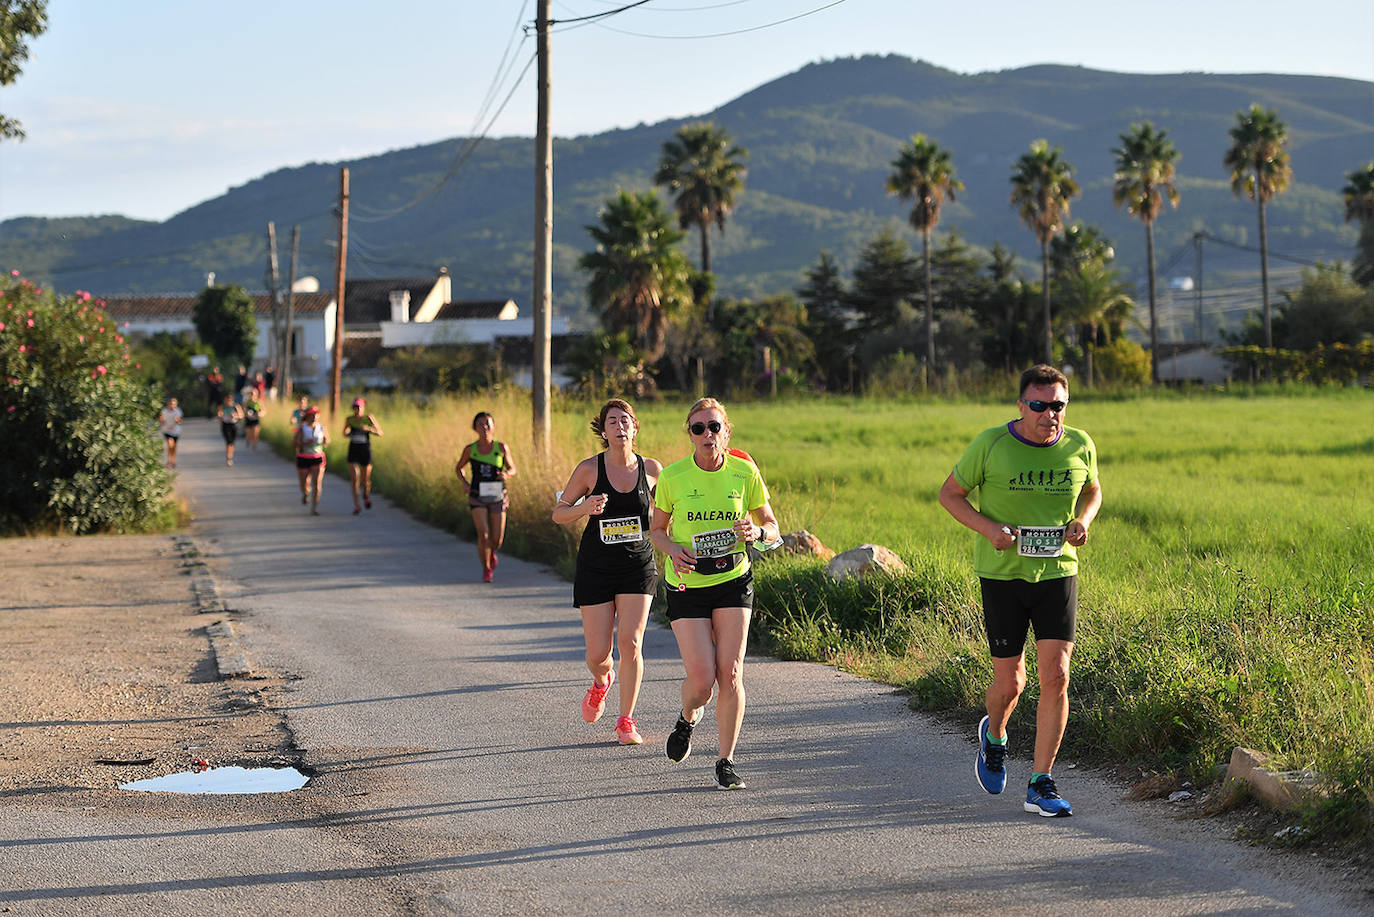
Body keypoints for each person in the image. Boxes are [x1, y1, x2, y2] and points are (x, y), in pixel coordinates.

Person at [937, 364, 1102, 818]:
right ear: (1021, 405)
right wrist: (989, 529)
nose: (1050, 414)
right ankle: (995, 736)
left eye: (1058, 406)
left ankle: (1041, 782)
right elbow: (949, 494)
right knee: (1010, 683)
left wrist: (1082, 522)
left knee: (1058, 676)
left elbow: (1093, 490)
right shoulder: (990, 444)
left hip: (1056, 573)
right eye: (1039, 405)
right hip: (1002, 575)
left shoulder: (1080, 443)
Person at [649, 397, 780, 790]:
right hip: (688, 584)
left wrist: (757, 534)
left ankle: (726, 760)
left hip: (734, 580)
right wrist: (673, 550)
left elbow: (772, 526)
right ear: (690, 434)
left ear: (727, 432)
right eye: (698, 428)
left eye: (714, 427)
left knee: (732, 673)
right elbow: (657, 530)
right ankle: (687, 718)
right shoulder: (673, 478)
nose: (708, 435)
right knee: (703, 681)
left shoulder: (744, 472)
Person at [552, 399, 662, 746]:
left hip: (638, 566)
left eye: (625, 420)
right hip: (596, 568)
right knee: (598, 654)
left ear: (635, 426)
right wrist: (584, 507)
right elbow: (559, 512)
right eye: (612, 421)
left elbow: (670, 512)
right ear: (603, 430)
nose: (619, 426)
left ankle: (626, 720)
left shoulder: (653, 469)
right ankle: (602, 682)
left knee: (631, 643)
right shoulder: (588, 469)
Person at [455, 412, 517, 582]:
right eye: (481, 424)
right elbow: (459, 468)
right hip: (477, 495)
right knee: (483, 534)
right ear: (475, 427)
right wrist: (465, 483)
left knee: (497, 539)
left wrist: (506, 474)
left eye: (488, 424)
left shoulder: (502, 447)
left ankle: (493, 552)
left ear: (494, 427)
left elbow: (512, 469)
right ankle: (486, 568)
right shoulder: (470, 449)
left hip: (497, 495)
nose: (485, 428)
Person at [343, 398, 383, 515]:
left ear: (363, 408)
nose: (357, 409)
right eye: (355, 407)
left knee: (365, 480)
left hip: (365, 450)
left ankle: (366, 495)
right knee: (355, 478)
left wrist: (369, 429)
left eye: (359, 407)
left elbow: (380, 432)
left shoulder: (368, 418)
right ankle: (357, 506)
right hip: (354, 449)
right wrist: (349, 433)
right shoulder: (349, 419)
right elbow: (344, 433)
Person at [294, 405, 329, 515]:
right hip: (303, 457)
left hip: (317, 458)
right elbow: (295, 443)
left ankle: (314, 507)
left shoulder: (322, 428)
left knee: (317, 484)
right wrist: (305, 443)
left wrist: (325, 440)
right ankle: (305, 493)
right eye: (312, 414)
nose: (314, 417)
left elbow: (327, 441)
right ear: (307, 416)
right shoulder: (302, 428)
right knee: (304, 483)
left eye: (316, 414)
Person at [216, 393, 244, 466]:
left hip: (233, 425)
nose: (229, 401)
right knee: (229, 442)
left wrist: (236, 415)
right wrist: (220, 416)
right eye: (227, 400)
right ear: (225, 400)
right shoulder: (222, 406)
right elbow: (219, 416)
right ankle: (229, 458)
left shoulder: (236, 406)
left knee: (232, 443)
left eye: (230, 400)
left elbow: (242, 415)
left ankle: (230, 456)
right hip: (226, 425)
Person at [158, 396, 183, 468]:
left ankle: (172, 461)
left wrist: (177, 420)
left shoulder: (178, 411)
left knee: (174, 447)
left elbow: (180, 421)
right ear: (168, 404)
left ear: (176, 404)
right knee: (170, 444)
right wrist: (162, 422)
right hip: (167, 430)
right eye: (171, 404)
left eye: (173, 404)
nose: (172, 405)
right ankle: (169, 461)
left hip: (175, 431)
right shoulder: (164, 411)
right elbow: (161, 419)